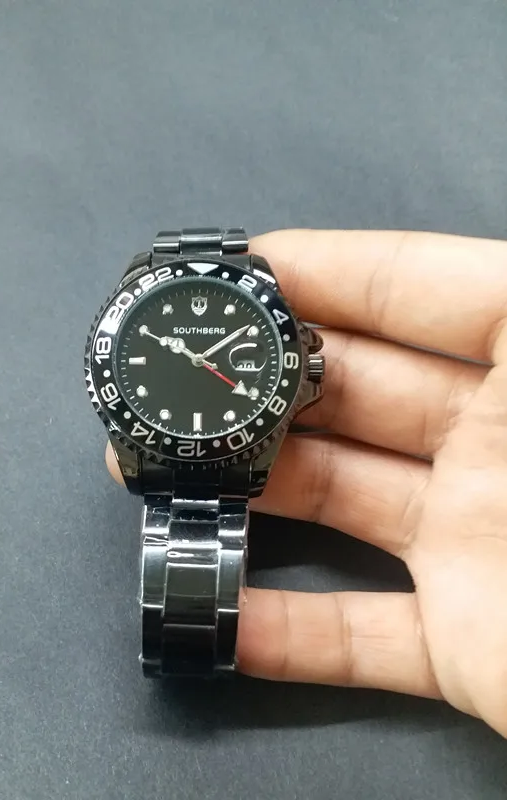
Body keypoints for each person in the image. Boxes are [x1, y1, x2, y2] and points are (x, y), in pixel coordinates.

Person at [106, 229, 507, 739]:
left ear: (304, 372)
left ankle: (186, 658)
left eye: (207, 361)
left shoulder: (276, 351)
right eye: (196, 360)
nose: (200, 364)